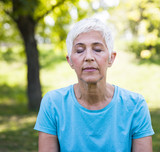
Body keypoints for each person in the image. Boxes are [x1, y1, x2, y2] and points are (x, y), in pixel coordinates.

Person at [34, 18, 154, 152]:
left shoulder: (136, 105)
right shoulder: (52, 103)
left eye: (97, 49)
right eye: (79, 50)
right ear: (70, 60)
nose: (89, 57)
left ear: (111, 58)